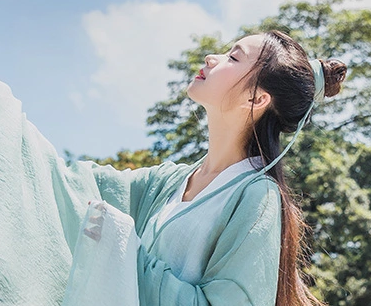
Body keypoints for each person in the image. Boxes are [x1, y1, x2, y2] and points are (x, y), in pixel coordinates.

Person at [0, 30, 346, 306]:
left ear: (256, 99)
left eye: (233, 57)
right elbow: (68, 186)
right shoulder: (167, 181)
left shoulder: (256, 196)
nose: (213, 57)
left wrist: (124, 250)